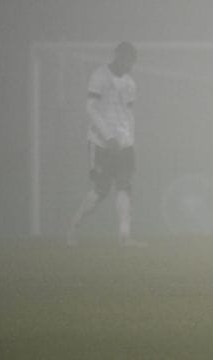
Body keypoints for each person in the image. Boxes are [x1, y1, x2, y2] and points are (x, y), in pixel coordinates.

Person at [67, 42, 145, 247]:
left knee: (125, 186)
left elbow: (128, 114)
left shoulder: (130, 83)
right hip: (101, 143)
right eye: (127, 59)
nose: (129, 65)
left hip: (124, 144)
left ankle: (125, 236)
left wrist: (129, 140)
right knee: (100, 191)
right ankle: (74, 225)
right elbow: (91, 108)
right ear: (118, 56)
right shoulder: (99, 76)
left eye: (132, 61)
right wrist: (108, 136)